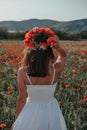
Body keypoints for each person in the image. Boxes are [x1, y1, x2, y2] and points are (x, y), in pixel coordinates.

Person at [12, 27, 67, 130]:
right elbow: (63, 56)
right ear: (50, 52)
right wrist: (58, 47)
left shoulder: (23, 72)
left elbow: (21, 100)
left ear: (30, 51)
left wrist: (17, 121)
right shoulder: (56, 69)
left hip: (30, 110)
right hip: (51, 110)